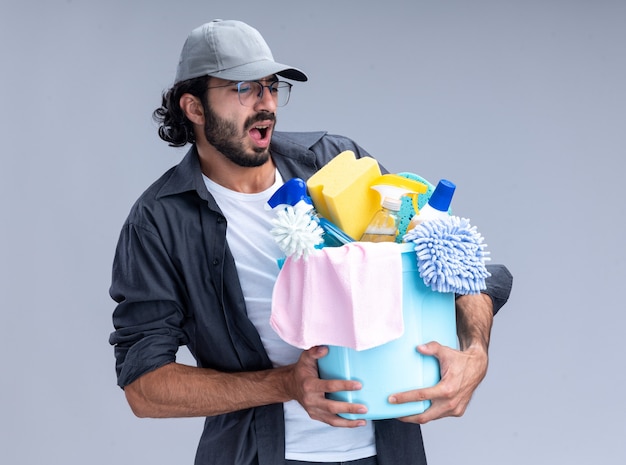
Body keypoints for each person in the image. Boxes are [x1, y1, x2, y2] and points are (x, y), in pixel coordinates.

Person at [109, 19, 513, 465]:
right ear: (195, 107)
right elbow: (145, 386)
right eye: (244, 88)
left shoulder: (333, 164)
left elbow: (454, 265)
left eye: (271, 86)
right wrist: (285, 384)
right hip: (256, 455)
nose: (266, 104)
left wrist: (475, 354)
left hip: (387, 451)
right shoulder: (159, 222)